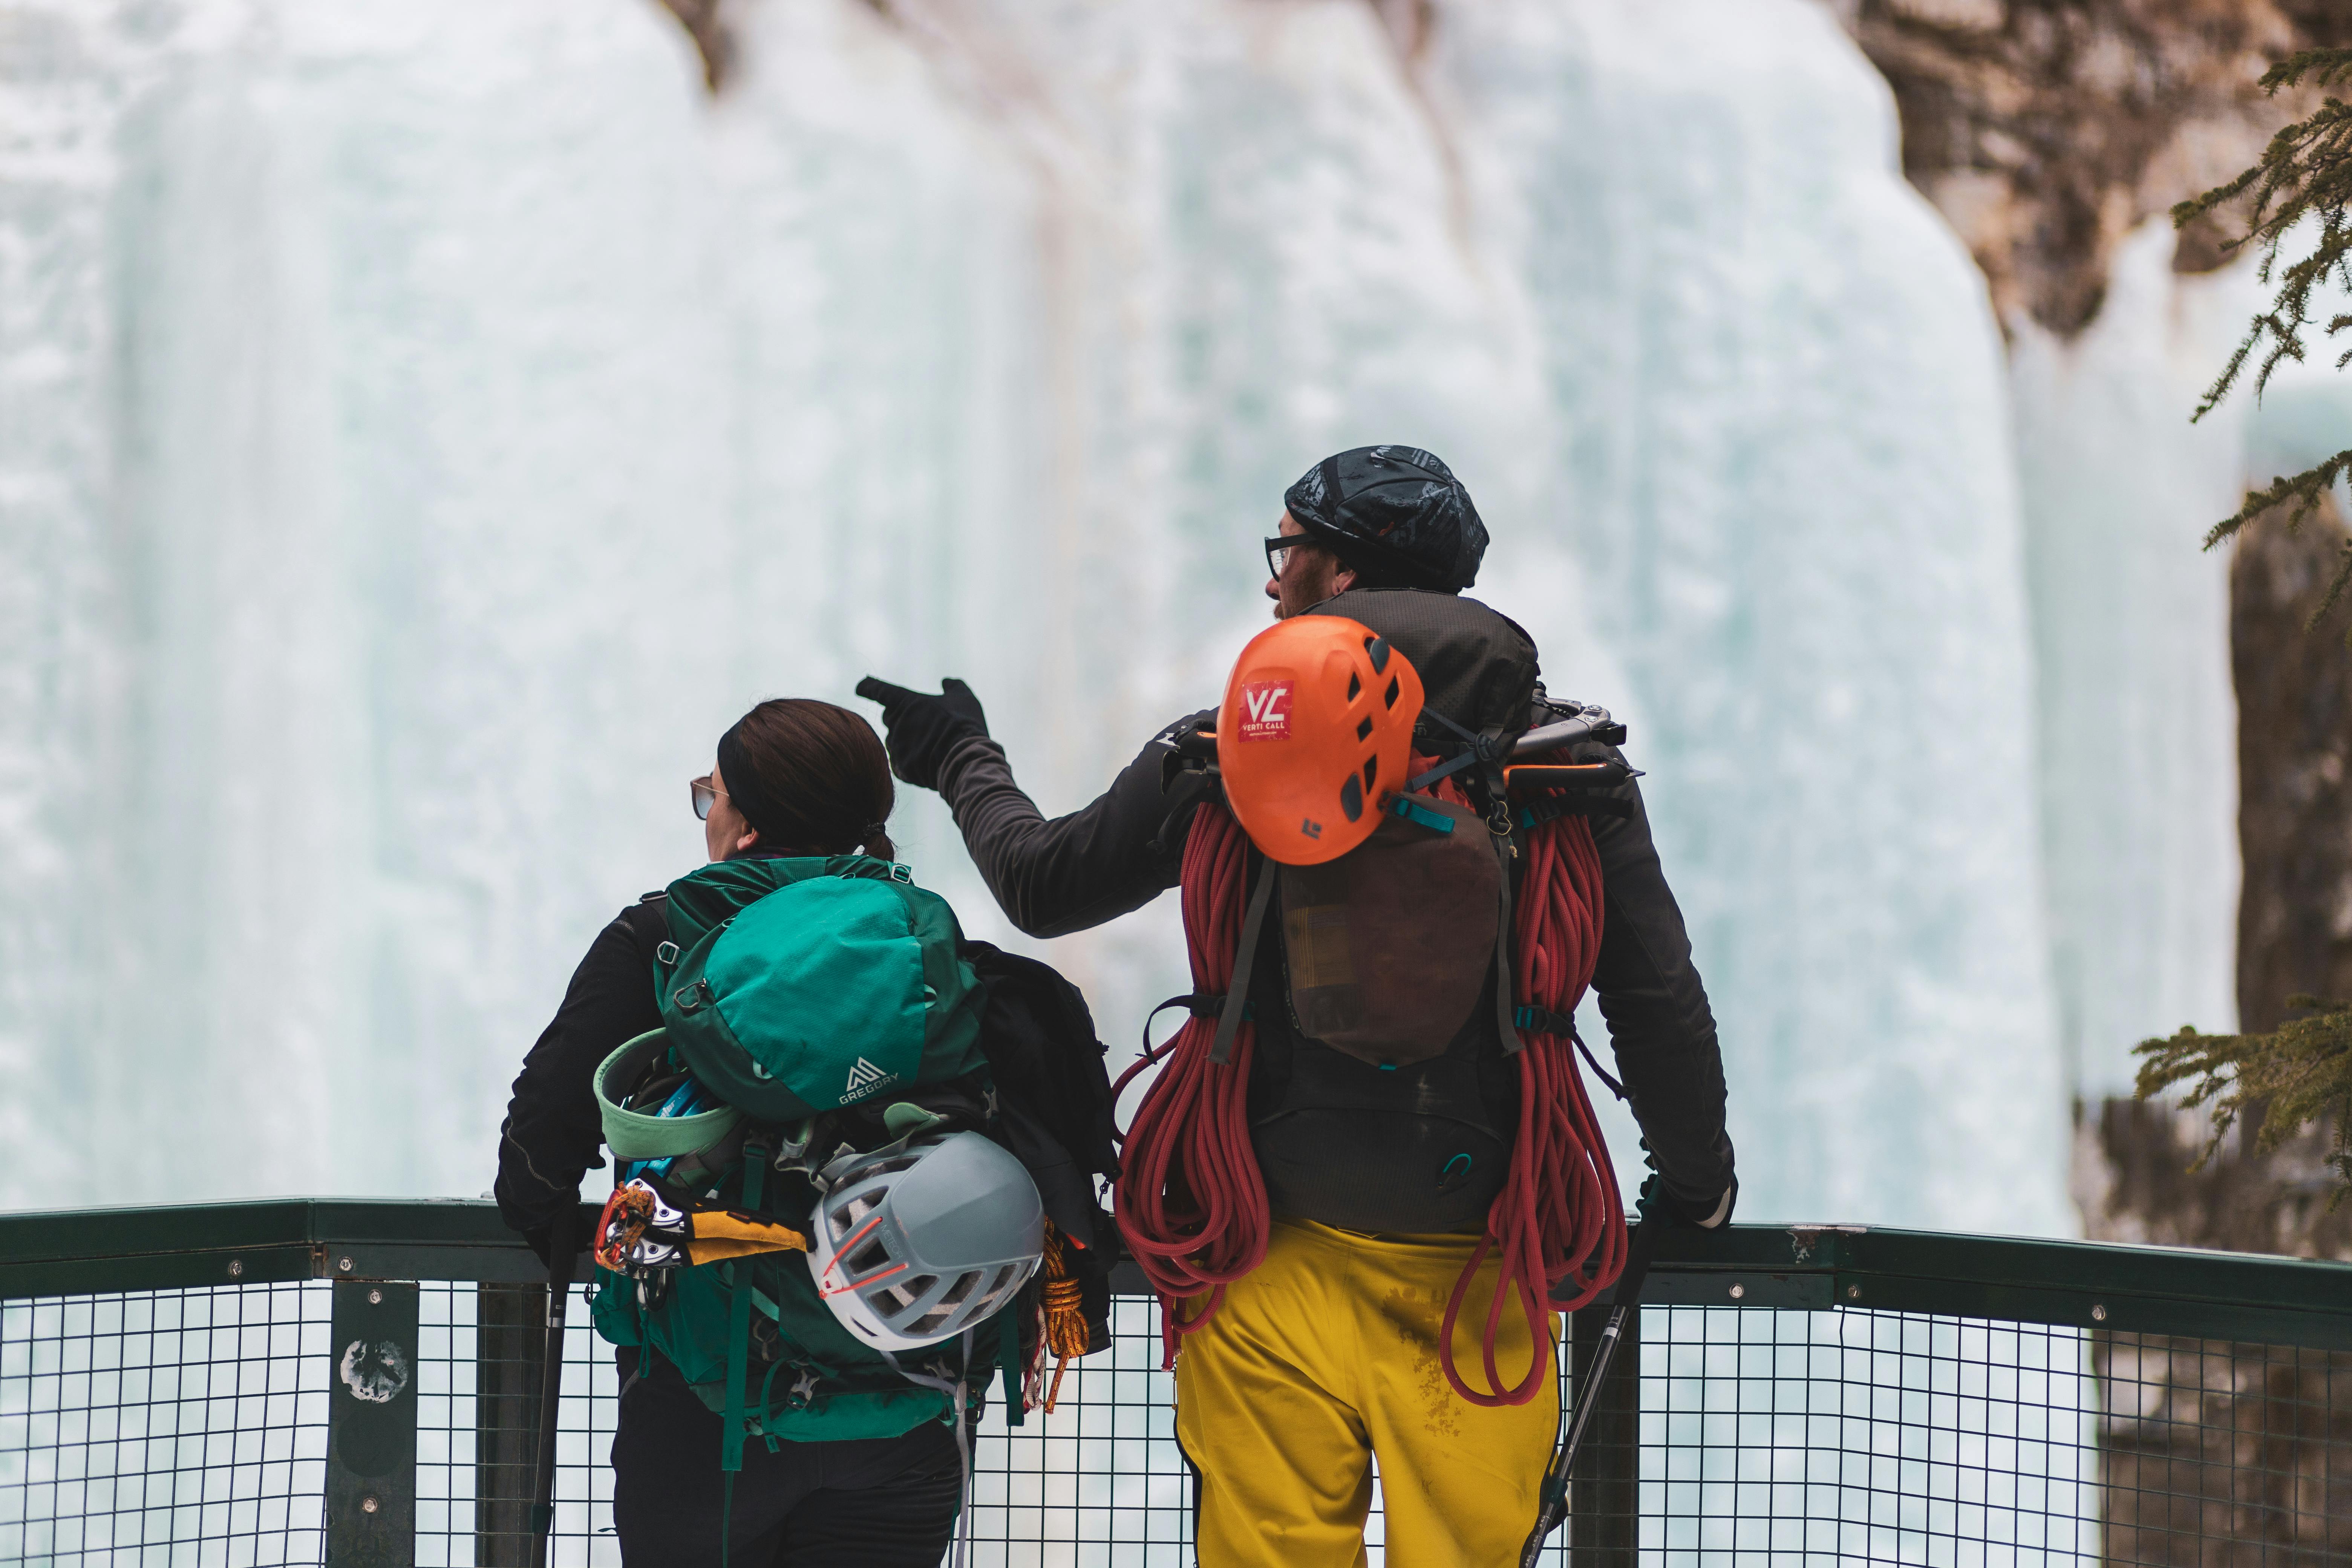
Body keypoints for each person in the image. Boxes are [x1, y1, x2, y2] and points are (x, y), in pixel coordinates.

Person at [860, 445, 1735, 1568]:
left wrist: (961, 756)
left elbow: (1042, 883)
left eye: (1288, 553)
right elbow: (1658, 1000)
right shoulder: (1563, 769)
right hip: (1480, 1272)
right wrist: (1697, 1190)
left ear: (1338, 571)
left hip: (1260, 1247)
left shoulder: (1227, 752)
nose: (1272, 583)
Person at [495, 699, 980, 1568]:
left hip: (705, 1411)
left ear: (747, 824)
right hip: (908, 1404)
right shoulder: (924, 944)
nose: (707, 814)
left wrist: (590, 1240)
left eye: (711, 796)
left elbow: (535, 1153)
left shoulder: (665, 939)